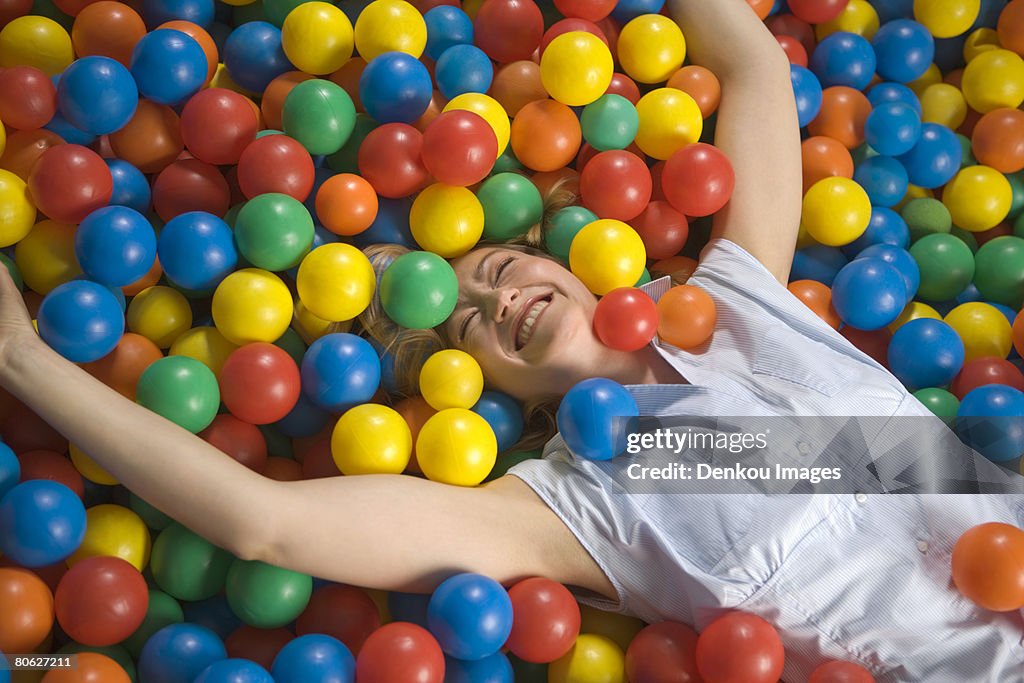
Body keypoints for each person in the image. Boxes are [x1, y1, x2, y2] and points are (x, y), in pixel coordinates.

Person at [1, 1, 1023, 681]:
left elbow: (751, 61)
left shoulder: (737, 295)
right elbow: (267, 523)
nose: (494, 302)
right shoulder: (567, 505)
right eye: (461, 329)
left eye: (496, 267)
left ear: (567, 256)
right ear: (477, 385)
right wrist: (24, 360)